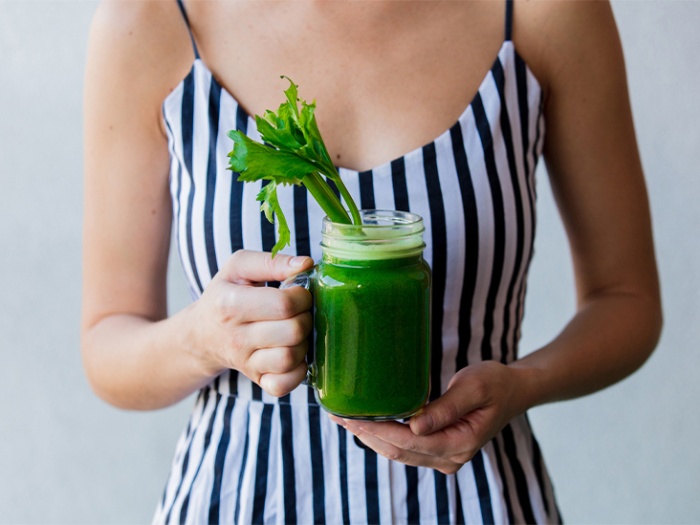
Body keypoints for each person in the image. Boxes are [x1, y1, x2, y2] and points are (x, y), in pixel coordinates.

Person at [81, 0, 662, 522]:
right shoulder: (150, 21)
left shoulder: (547, 13)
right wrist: (202, 338)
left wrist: (523, 384)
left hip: (477, 497)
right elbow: (107, 343)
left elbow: (627, 301)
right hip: (239, 497)